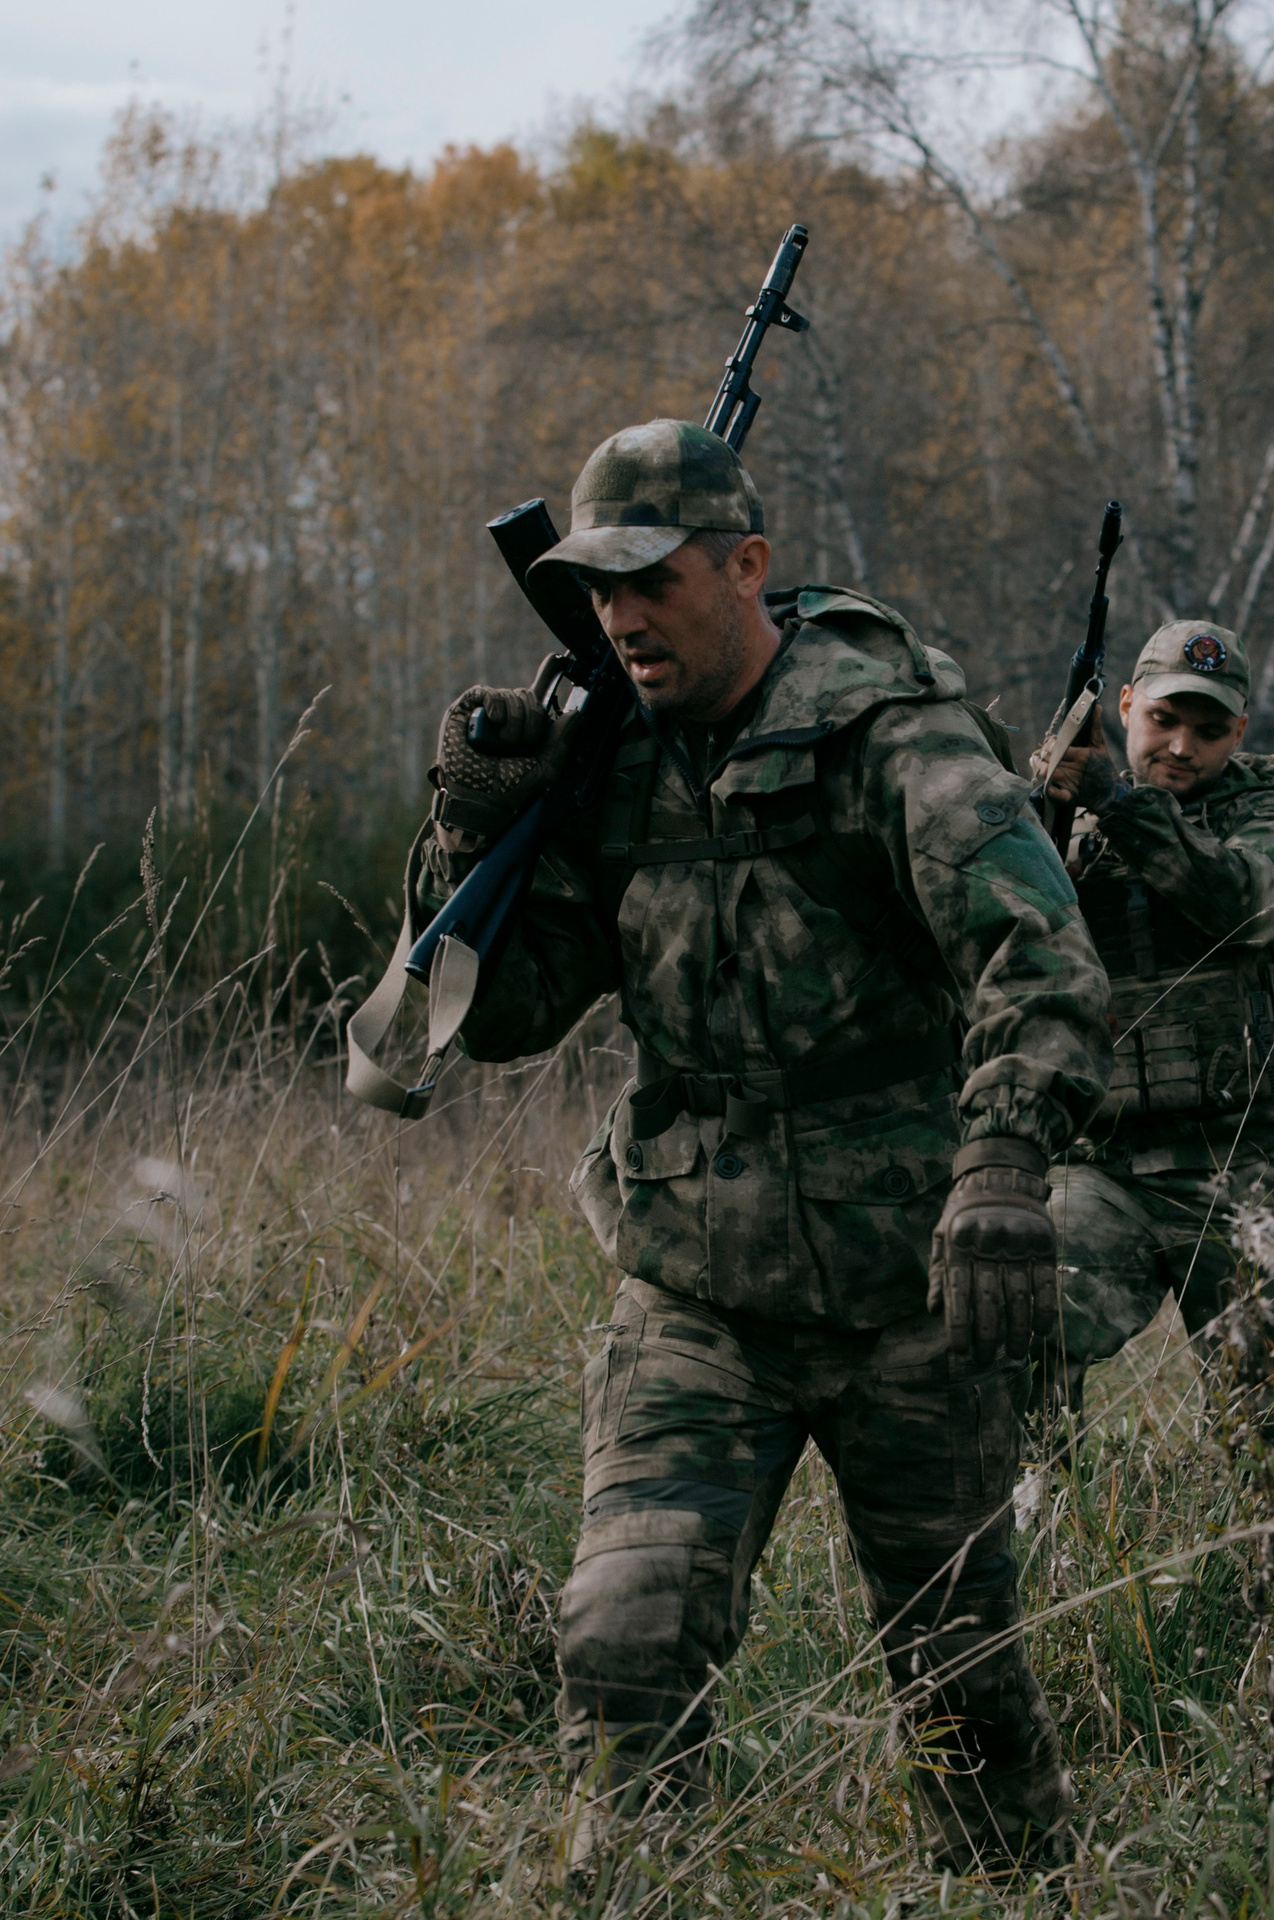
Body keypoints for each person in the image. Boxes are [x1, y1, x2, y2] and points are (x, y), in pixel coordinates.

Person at [409, 418, 1110, 1872]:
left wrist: (1000, 1166)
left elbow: (1042, 963)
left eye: (652, 580)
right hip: (697, 1286)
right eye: (599, 590)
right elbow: (504, 1018)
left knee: (959, 1692)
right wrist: (473, 827)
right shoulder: (612, 759)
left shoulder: (891, 738)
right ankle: (634, 1895)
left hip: (911, 1285)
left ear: (748, 567)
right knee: (623, 1649)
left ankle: (1016, 1894)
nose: (620, 617)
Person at [1036, 620, 1274, 1414]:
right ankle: (1047, 1527)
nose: (1182, 747)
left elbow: (1242, 906)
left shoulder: (1271, 822)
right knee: (1016, 1326)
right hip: (1102, 1164)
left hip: (1252, 1163)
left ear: (1239, 733)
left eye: (1209, 731)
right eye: (1164, 722)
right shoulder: (1055, 826)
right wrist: (1036, 813)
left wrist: (1118, 800)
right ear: (1127, 707)